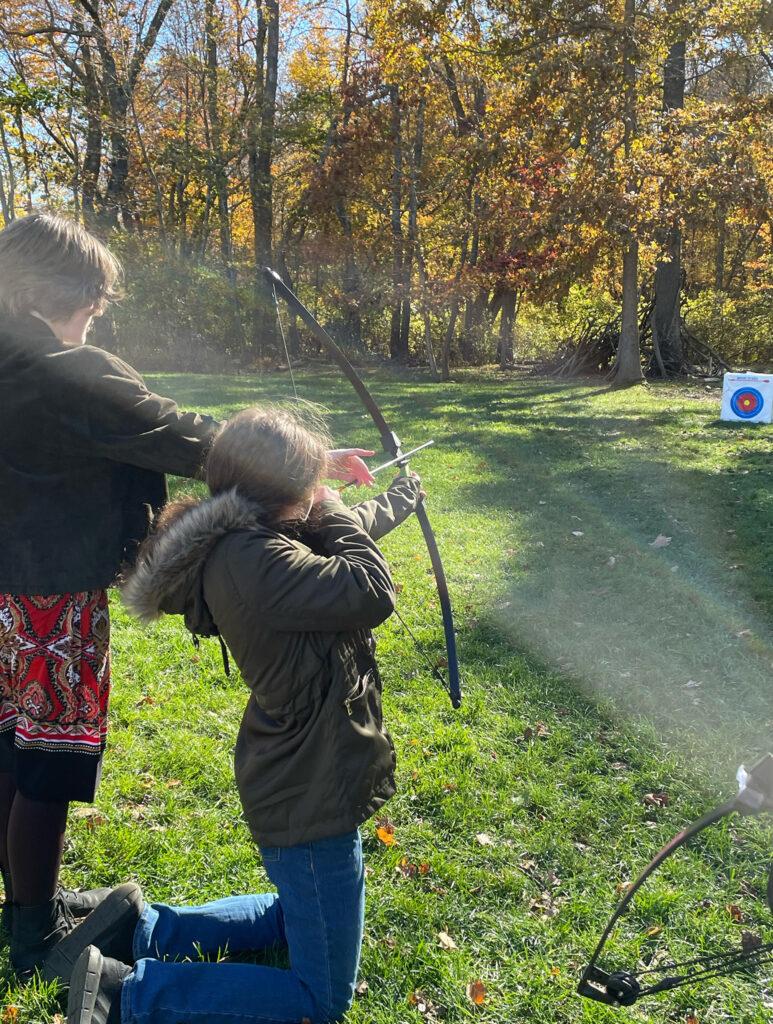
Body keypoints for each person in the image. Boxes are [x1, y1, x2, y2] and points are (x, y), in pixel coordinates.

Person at [0, 212, 374, 978]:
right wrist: (305, 463)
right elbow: (176, 430)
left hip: (6, 590)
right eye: (94, 303)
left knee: (11, 747)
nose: (95, 318)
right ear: (60, 291)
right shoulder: (64, 369)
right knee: (46, 764)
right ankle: (34, 936)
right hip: (47, 598)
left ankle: (27, 904)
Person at [62, 405, 423, 1024]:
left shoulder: (252, 541)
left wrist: (397, 501)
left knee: (296, 911)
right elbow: (368, 587)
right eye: (311, 481)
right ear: (289, 495)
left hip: (302, 772)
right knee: (321, 999)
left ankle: (141, 929)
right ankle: (127, 994)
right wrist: (333, 508)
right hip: (311, 786)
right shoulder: (257, 563)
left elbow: (338, 537)